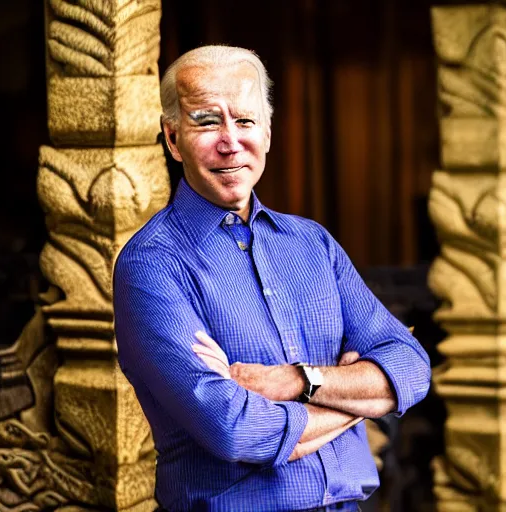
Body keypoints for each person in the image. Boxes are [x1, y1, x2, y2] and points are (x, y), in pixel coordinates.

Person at [113, 45, 431, 512]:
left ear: (267, 132)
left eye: (244, 121)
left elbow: (412, 368)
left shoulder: (313, 244)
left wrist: (298, 380)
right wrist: (359, 399)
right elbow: (238, 429)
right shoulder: (152, 265)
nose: (230, 141)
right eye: (206, 121)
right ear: (173, 138)